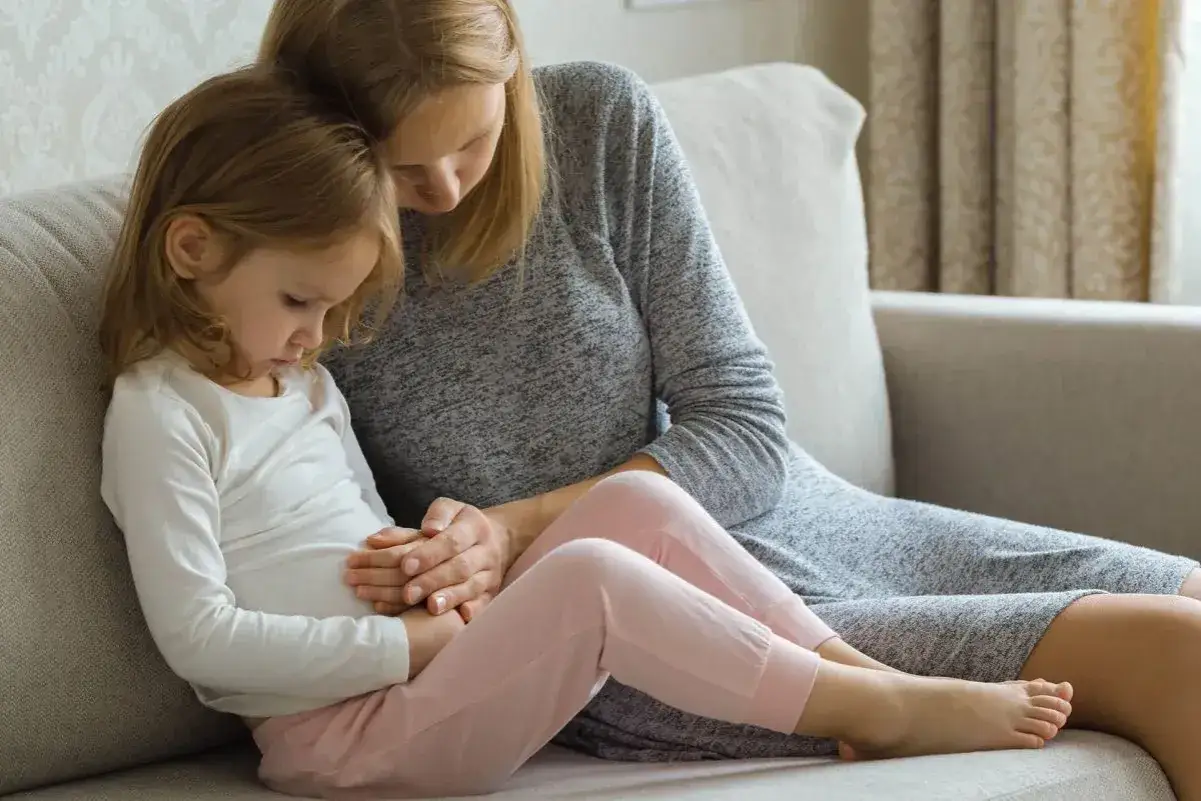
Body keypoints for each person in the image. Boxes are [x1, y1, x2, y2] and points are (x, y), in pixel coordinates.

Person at [256, 0, 1201, 798]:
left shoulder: (595, 121)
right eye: (405, 167)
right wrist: (478, 560)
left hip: (803, 514)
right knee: (1174, 652)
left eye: (472, 140)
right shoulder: (299, 265)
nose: (450, 187)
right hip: (649, 629)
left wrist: (506, 526)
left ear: (512, 66)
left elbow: (743, 426)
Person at [97, 62, 1074, 801]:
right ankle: (880, 710)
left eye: (334, 311)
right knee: (592, 581)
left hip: (424, 673)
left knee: (634, 499)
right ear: (194, 248)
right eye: (300, 302)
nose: (317, 338)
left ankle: (865, 680)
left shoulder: (298, 382)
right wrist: (414, 648)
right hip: (343, 744)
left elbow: (350, 522)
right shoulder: (161, 412)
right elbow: (204, 644)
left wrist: (427, 557)